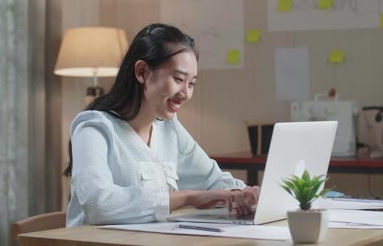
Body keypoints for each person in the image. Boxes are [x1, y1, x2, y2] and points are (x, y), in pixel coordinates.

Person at [64, 23, 260, 226]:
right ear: (142, 72)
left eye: (191, 83)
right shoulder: (94, 129)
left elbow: (213, 179)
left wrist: (241, 194)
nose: (185, 94)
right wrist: (187, 197)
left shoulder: (168, 127)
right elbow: (99, 205)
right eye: (178, 79)